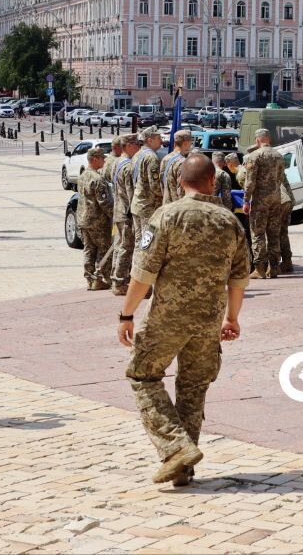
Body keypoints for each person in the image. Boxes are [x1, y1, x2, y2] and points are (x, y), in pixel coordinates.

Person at [118, 154, 250, 485]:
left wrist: (127, 313)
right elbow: (239, 281)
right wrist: (231, 319)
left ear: (180, 182)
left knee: (142, 375)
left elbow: (143, 275)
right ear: (212, 182)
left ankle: (176, 449)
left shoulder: (166, 216)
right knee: (193, 388)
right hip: (208, 321)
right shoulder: (229, 222)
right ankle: (184, 469)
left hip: (167, 317)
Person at [242, 129, 286, 278]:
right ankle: (274, 267)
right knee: (274, 233)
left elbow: (250, 182)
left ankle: (260, 268)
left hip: (260, 199)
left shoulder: (254, 156)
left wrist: (246, 200)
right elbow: (280, 178)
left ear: (257, 140)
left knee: (258, 232)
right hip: (276, 198)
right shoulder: (278, 155)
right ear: (269, 139)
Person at [77, 147, 114, 291]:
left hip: (84, 219)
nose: (104, 160)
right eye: (101, 158)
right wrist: (115, 216)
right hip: (98, 221)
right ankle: (98, 279)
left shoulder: (83, 176)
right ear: (94, 159)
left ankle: (90, 279)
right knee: (103, 249)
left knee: (89, 250)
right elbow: (104, 203)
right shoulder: (98, 179)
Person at [111, 134, 142, 295]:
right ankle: (120, 282)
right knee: (126, 247)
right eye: (137, 144)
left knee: (119, 246)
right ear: (129, 146)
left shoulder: (116, 162)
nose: (139, 147)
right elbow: (131, 194)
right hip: (126, 213)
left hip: (118, 210)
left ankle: (115, 277)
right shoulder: (128, 166)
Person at [130, 126, 164, 249]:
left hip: (137, 204)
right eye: (158, 138)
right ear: (150, 140)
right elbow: (155, 186)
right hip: (148, 207)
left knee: (139, 243)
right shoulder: (151, 158)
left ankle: (135, 267)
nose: (161, 140)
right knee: (147, 244)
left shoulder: (137, 154)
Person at [160, 130, 193, 205]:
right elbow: (182, 190)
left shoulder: (166, 158)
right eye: (190, 142)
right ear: (185, 143)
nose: (191, 145)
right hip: (177, 206)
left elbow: (161, 183)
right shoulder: (183, 162)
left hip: (166, 204)